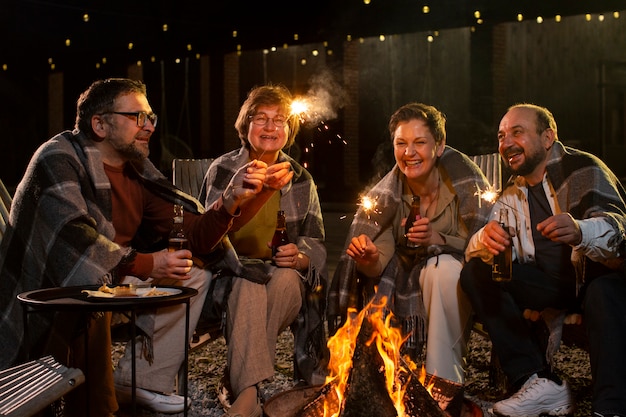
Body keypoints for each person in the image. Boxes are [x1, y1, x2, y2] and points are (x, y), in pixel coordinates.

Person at [0, 78, 266, 417]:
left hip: (113, 278)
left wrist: (229, 201)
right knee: (90, 294)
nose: (150, 127)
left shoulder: (137, 170)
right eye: (137, 117)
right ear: (99, 124)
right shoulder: (57, 159)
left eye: (151, 117)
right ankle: (98, 406)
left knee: (194, 275)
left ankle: (142, 383)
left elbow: (193, 234)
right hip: (47, 286)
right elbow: (73, 241)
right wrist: (147, 264)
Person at [460, 103, 626, 417]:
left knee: (603, 292)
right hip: (552, 284)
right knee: (475, 272)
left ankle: (611, 407)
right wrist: (485, 238)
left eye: (517, 132)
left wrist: (579, 231)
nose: (506, 143)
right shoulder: (511, 191)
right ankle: (537, 381)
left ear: (548, 137)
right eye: (501, 136)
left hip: (597, 278)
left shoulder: (583, 169)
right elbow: (475, 247)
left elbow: (619, 232)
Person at [326, 102, 492, 407]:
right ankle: (403, 380)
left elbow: (484, 245)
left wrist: (438, 239)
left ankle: (445, 383)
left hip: (470, 285)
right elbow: (381, 262)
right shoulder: (388, 196)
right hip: (408, 285)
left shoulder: (465, 187)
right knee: (428, 271)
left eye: (419, 142)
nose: (409, 152)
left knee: (439, 268)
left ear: (439, 145)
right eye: (401, 143)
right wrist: (368, 256)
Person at [199, 84, 328, 417]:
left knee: (287, 280)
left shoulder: (300, 178)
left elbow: (314, 242)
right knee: (249, 282)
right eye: (261, 118)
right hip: (228, 272)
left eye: (279, 120)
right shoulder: (224, 170)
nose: (271, 127)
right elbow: (204, 234)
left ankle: (237, 382)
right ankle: (248, 393)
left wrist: (300, 257)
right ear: (246, 125)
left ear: (289, 129)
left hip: (279, 274)